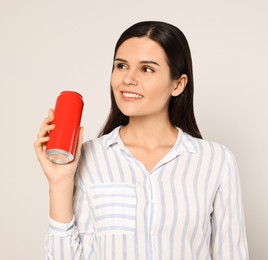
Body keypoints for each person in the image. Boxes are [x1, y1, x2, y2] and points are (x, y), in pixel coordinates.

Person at [34, 21, 249, 260]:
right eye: (121, 66)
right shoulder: (89, 158)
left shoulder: (216, 161)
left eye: (147, 69)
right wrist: (60, 182)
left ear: (178, 84)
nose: (128, 79)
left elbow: (231, 254)